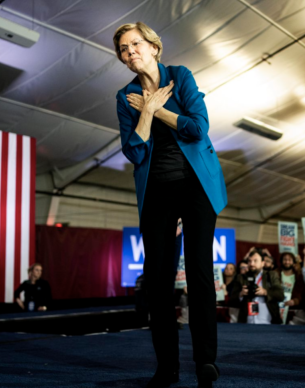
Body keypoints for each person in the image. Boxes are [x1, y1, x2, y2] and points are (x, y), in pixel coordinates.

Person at [113, 22, 227, 388]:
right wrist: (145, 112)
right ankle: (167, 367)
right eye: (123, 49)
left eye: (135, 44)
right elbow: (134, 149)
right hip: (157, 190)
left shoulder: (180, 76)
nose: (129, 51)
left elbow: (198, 127)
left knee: (198, 272)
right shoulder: (124, 96)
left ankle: (205, 362)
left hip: (196, 186)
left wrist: (155, 109)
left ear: (153, 47)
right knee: (158, 280)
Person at [229, 249, 284, 324]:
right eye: (249, 261)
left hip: (268, 322)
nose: (251, 264)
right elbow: (232, 299)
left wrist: (265, 292)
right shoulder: (241, 277)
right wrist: (241, 294)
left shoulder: (271, 275)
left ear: (262, 263)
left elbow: (280, 295)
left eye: (255, 261)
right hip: (247, 322)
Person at [276, 252, 305, 323]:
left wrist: (295, 301)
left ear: (293, 262)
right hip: (277, 308)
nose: (287, 262)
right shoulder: (275, 274)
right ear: (281, 261)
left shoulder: (299, 276)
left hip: (292, 310)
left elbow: (302, 293)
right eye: (285, 259)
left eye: (289, 260)